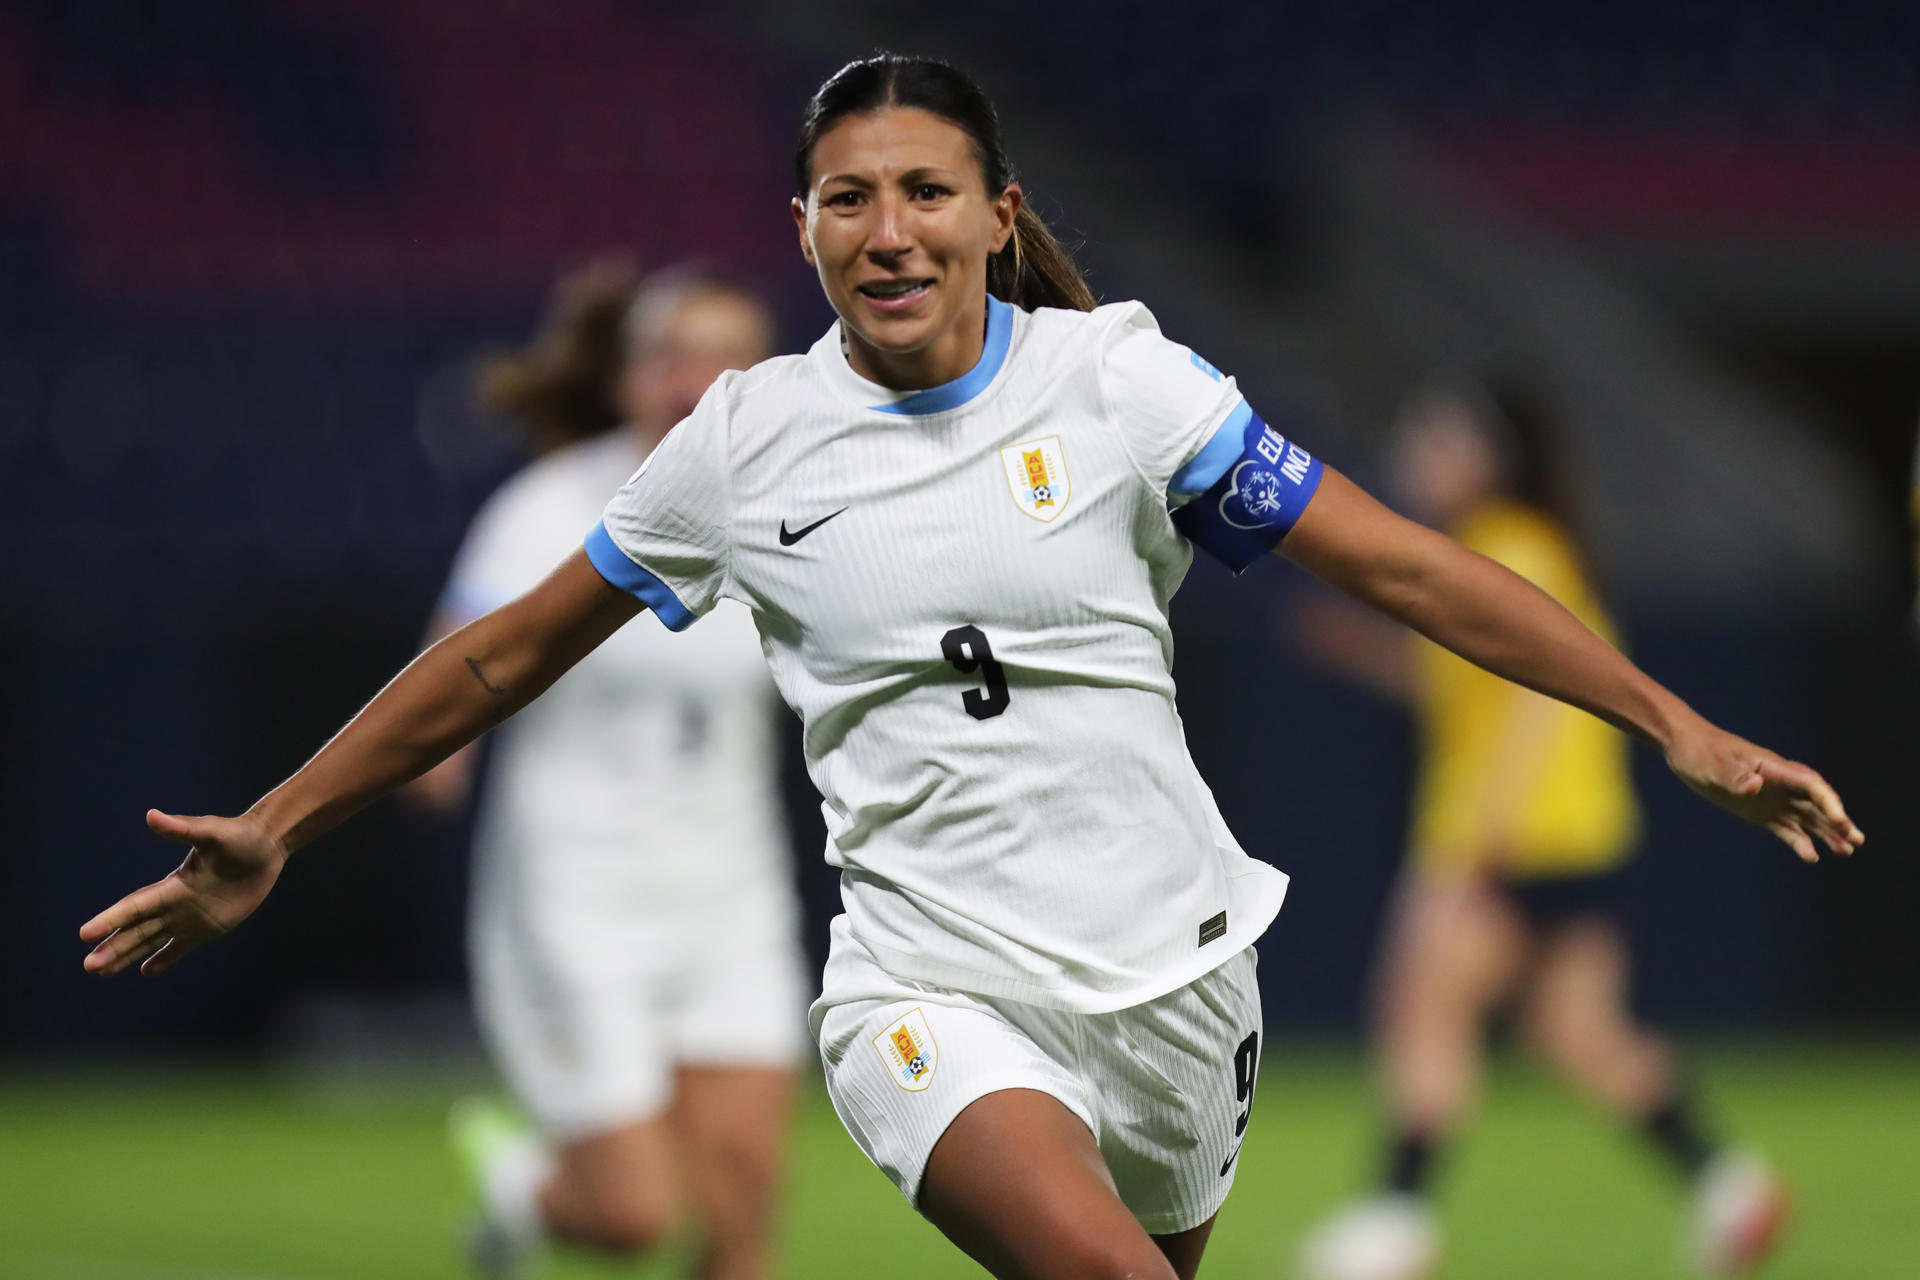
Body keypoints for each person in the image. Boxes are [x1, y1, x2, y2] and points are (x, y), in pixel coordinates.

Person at [82, 55, 1862, 1280]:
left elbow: (1401, 563)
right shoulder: (744, 443)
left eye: (926, 191)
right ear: (802, 227)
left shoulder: (1124, 389)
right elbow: (497, 660)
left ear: (998, 212)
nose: (890, 230)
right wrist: (279, 825)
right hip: (926, 990)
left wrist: (1674, 723)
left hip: (1179, 981)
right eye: (846, 198)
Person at [1291, 381, 1792, 1280]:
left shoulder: (1509, 547)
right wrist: (1370, 656)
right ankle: (1729, 1185)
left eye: (1440, 438)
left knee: (1422, 1016)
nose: (1418, 451)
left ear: (1492, 460)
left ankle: (1394, 1222)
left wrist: (1489, 832)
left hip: (1502, 835)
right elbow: (1466, 688)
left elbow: (1538, 701)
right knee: (1578, 1033)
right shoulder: (1525, 545)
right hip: (1582, 836)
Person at [406, 261, 806, 1280]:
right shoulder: (552, 507)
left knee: (740, 1210)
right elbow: (462, 653)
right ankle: (520, 1188)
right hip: (576, 895)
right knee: (632, 1216)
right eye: (670, 355)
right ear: (626, 376)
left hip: (732, 894)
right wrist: (437, 753)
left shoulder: (798, 509)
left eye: (723, 358)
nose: (693, 380)